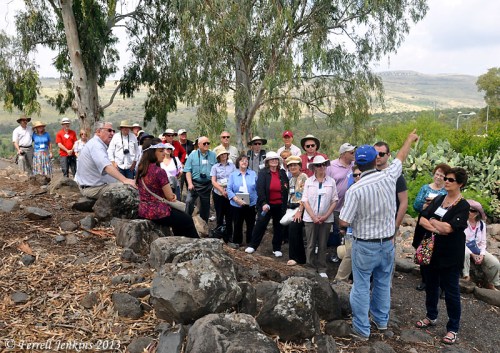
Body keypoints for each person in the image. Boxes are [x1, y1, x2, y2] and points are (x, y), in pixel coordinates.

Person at [340, 130, 419, 340]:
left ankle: (361, 329)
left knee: (361, 286)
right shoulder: (389, 176)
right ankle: (381, 321)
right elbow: (401, 157)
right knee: (383, 284)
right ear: (377, 160)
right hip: (387, 243)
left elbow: (344, 221)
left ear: (356, 163)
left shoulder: (355, 190)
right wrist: (409, 139)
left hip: (365, 244)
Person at [413, 167, 469, 345]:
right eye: (445, 178)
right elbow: (422, 219)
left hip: (450, 256)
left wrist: (434, 223)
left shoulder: (463, 205)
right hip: (432, 251)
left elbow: (450, 228)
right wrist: (438, 226)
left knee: (451, 291)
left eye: (451, 180)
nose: (446, 181)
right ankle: (431, 315)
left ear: (460, 183)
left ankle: (453, 328)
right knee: (431, 285)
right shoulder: (438, 199)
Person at [137, 138, 198, 238]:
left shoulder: (141, 169)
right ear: (152, 153)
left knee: (179, 218)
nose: (164, 153)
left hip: (143, 210)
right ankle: (195, 246)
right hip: (158, 212)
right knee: (187, 220)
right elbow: (170, 197)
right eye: (160, 151)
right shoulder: (159, 171)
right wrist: (172, 196)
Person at [413, 163, 451, 291]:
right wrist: (425, 205)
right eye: (437, 174)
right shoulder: (425, 188)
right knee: (422, 250)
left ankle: (438, 283)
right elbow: (416, 205)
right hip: (424, 222)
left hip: (438, 223)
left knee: (436, 252)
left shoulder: (446, 191)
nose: (439, 177)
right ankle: (424, 280)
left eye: (442, 175)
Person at [75, 122, 136, 199]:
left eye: (113, 131)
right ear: (98, 132)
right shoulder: (96, 146)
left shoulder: (96, 144)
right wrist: (125, 180)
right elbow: (106, 166)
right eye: (109, 130)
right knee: (129, 188)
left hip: (95, 186)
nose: (112, 133)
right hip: (94, 189)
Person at [245, 151, 289, 257]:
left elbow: (286, 188)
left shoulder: (282, 173)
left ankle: (277, 248)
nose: (274, 161)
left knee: (279, 226)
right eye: (271, 159)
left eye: (276, 159)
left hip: (280, 205)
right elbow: (260, 189)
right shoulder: (263, 173)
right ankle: (253, 245)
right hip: (266, 205)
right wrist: (264, 203)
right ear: (267, 162)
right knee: (260, 224)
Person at [302, 155, 338, 277]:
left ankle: (322, 268)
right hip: (310, 218)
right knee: (311, 244)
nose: (321, 167)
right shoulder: (308, 181)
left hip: (326, 219)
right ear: (314, 168)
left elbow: (334, 200)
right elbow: (305, 200)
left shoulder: (331, 181)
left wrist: (326, 215)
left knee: (323, 244)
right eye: (318, 165)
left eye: (323, 164)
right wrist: (313, 217)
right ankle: (310, 267)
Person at [326, 142, 356, 262]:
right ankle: (335, 253)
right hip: (335, 206)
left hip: (350, 206)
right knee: (336, 231)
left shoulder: (355, 165)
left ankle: (347, 255)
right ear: (343, 154)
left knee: (347, 231)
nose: (354, 154)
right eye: (351, 152)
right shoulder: (332, 166)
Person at [463, 199, 499, 290]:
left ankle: (492, 283)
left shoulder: (482, 225)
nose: (469, 212)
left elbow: (483, 242)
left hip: (477, 248)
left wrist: (482, 255)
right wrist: (472, 254)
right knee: (465, 253)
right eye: (468, 209)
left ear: (477, 213)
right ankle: (466, 277)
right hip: (464, 247)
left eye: (472, 210)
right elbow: (461, 241)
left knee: (495, 263)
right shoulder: (462, 222)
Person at [334, 164, 361, 283]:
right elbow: (345, 211)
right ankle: (341, 280)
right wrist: (343, 228)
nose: (358, 176)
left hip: (366, 230)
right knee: (349, 254)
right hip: (351, 229)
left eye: (360, 174)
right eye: (355, 175)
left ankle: (343, 279)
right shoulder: (351, 190)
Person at [374, 141, 408, 234]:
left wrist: (396, 225)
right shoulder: (367, 174)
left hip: (389, 225)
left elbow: (404, 202)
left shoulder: (396, 176)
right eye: (375, 153)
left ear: (388, 155)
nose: (377, 156)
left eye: (381, 154)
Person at [227, 155, 258, 247]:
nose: (244, 162)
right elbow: (229, 189)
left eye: (246, 161)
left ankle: (251, 242)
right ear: (238, 163)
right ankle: (237, 241)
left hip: (251, 203)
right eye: (242, 161)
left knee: (251, 223)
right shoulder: (233, 175)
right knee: (237, 223)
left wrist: (257, 200)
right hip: (236, 204)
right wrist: (236, 199)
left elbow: (258, 188)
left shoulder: (253, 174)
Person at [184, 136, 217, 223]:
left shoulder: (213, 155)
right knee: (189, 202)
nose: (207, 145)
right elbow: (187, 170)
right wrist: (190, 184)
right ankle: (186, 222)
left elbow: (217, 170)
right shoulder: (192, 155)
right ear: (199, 145)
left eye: (208, 143)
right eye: (204, 143)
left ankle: (204, 226)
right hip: (195, 184)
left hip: (207, 185)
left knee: (205, 207)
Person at [285, 156, 308, 266]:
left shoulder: (303, 177)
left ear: (300, 166)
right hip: (292, 208)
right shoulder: (291, 179)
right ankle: (298, 257)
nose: (293, 167)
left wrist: (300, 210)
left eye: (295, 165)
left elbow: (305, 196)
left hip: (301, 208)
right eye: (290, 165)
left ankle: (296, 258)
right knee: (291, 230)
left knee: (294, 229)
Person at [211, 146, 236, 242]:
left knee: (230, 215)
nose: (223, 156)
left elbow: (234, 179)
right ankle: (219, 233)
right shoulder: (215, 167)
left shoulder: (232, 166)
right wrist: (221, 190)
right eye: (221, 154)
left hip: (230, 193)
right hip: (218, 193)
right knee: (220, 214)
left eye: (224, 154)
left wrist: (228, 191)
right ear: (218, 156)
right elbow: (213, 181)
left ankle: (229, 236)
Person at [178, 128, 195, 196]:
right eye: (182, 134)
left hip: (190, 168)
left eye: (184, 133)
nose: (184, 135)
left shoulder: (191, 144)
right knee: (179, 186)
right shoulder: (176, 144)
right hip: (180, 168)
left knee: (190, 185)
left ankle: (191, 203)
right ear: (179, 135)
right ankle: (179, 203)